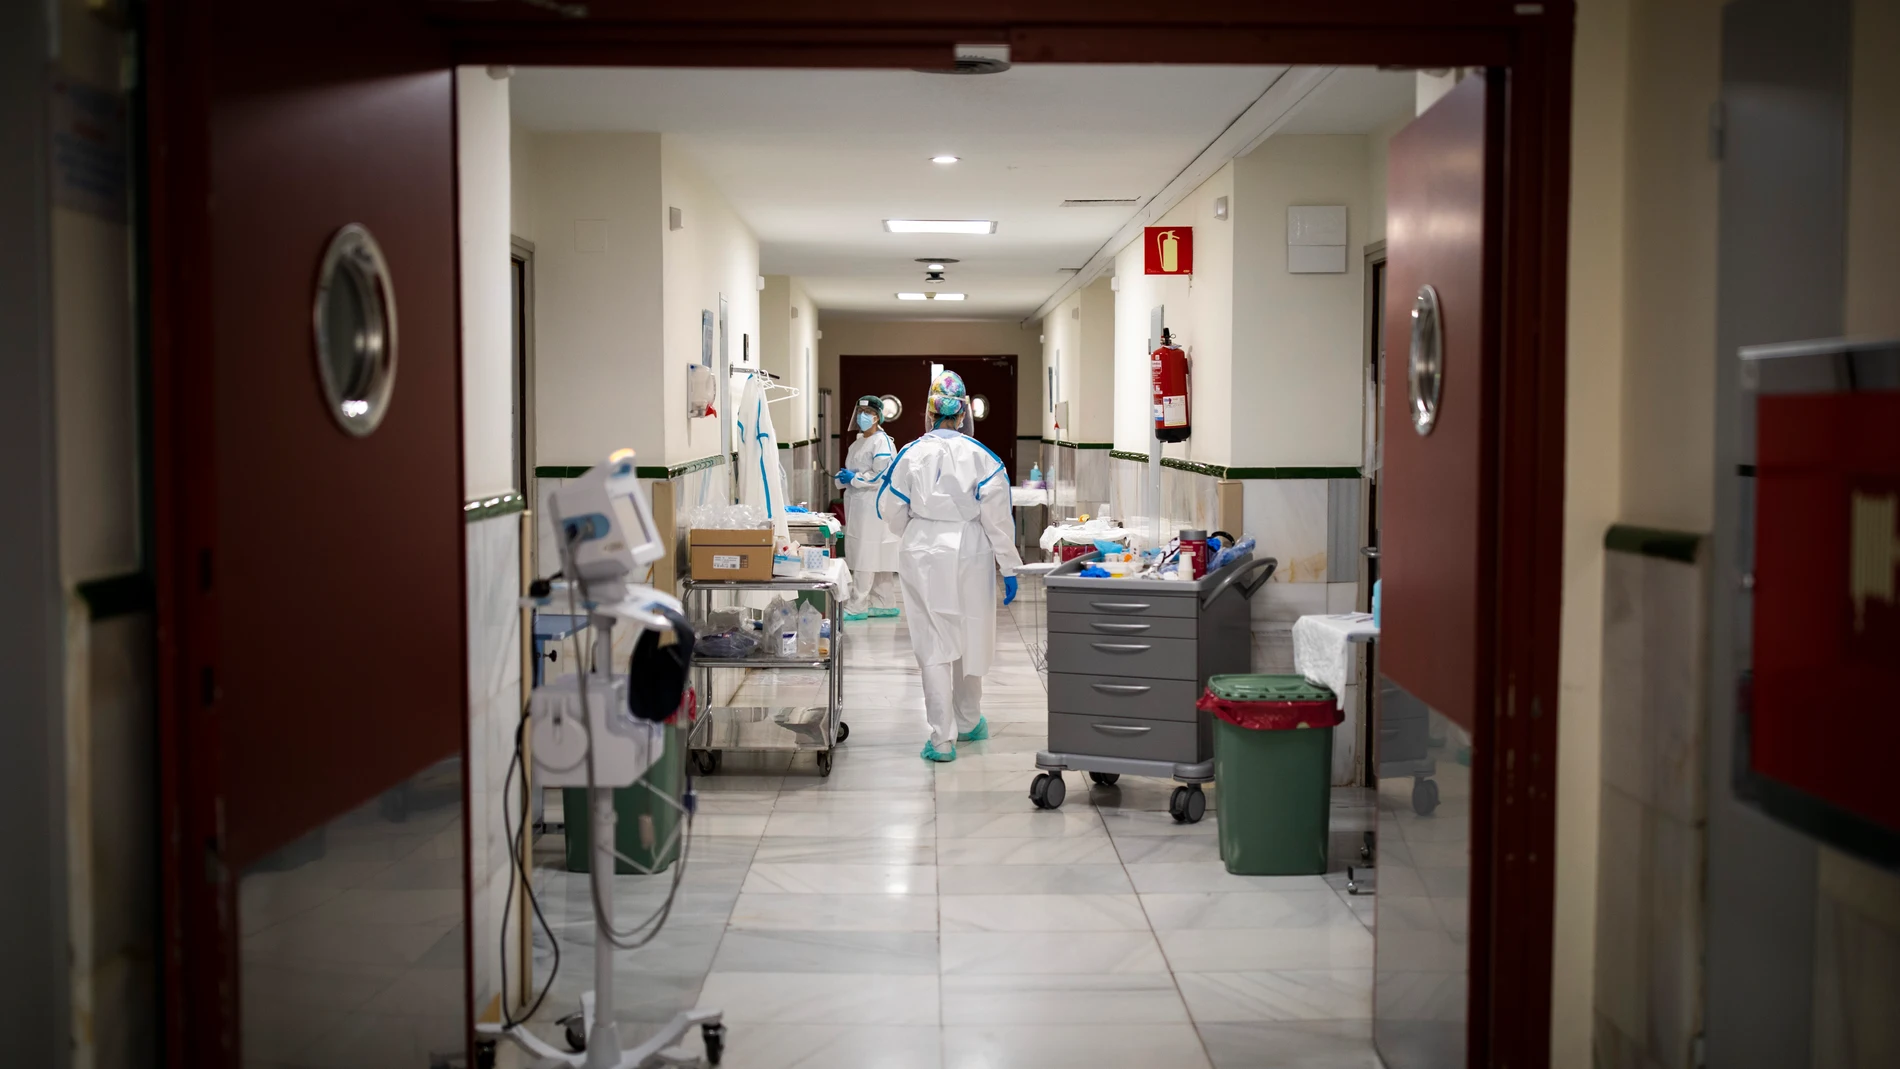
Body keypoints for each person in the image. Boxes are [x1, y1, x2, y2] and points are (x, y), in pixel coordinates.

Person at [879, 371, 1024, 762]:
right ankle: (969, 717)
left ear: (929, 413)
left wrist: (916, 529)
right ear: (962, 416)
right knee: (970, 631)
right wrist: (1009, 567)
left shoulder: (909, 454)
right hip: (972, 551)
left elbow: (889, 509)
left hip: (923, 551)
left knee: (933, 642)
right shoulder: (983, 458)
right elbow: (998, 520)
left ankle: (942, 738)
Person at [836, 395, 901, 620]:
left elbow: (881, 474)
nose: (862, 417)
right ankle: (883, 601)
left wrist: (855, 478)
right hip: (859, 504)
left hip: (872, 505)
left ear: (876, 416)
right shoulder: (858, 442)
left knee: (867, 554)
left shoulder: (882, 442)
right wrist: (845, 478)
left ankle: (858, 605)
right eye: (860, 412)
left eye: (867, 413)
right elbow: (853, 471)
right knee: (876, 553)